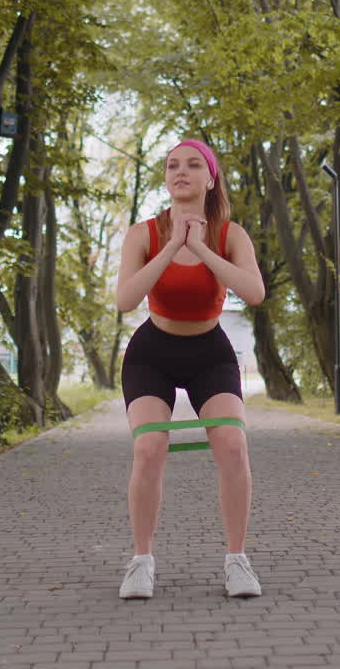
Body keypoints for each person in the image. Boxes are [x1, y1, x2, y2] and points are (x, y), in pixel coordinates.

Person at [114, 139, 266, 599]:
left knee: (232, 443)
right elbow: (124, 301)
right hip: (152, 351)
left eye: (193, 164)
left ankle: (237, 561)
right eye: (172, 165)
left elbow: (254, 293)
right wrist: (173, 246)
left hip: (209, 351)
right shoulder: (144, 234)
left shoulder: (230, 234)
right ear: (166, 177)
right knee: (150, 449)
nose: (181, 171)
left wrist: (200, 248)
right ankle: (142, 562)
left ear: (210, 178)